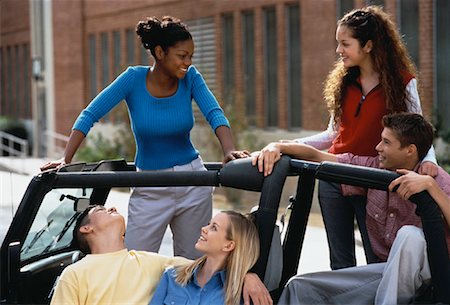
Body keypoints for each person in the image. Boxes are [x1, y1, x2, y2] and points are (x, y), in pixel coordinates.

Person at [40, 16, 249, 259]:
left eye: (191, 56)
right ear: (160, 52)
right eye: (182, 56)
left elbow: (214, 113)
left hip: (192, 181)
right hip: (150, 187)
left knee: (192, 265)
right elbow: (90, 114)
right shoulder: (133, 79)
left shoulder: (191, 78)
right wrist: (65, 159)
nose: (188, 62)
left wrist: (229, 150)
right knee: (134, 261)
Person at [291, 5, 437, 270]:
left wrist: (429, 161)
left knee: (376, 258)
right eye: (338, 44)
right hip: (333, 175)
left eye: (345, 44)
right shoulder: (343, 84)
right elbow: (333, 135)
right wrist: (291, 147)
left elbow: (418, 128)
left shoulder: (403, 82)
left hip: (373, 179)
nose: (339, 51)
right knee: (340, 261)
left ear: (368, 45)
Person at [253, 113, 450, 304]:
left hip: (433, 276)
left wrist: (431, 188)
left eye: (386, 142)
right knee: (300, 287)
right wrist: (275, 146)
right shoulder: (373, 168)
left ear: (410, 150)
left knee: (410, 236)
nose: (378, 147)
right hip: (388, 271)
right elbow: (317, 156)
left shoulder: (435, 179)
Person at [50, 205, 272, 305]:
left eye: (213, 227)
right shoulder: (74, 274)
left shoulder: (154, 263)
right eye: (100, 210)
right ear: (86, 229)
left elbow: (211, 266)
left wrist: (247, 274)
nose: (112, 207)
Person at [150, 211, 259, 305]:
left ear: (228, 246)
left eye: (214, 228)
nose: (203, 229)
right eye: (208, 224)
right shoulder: (172, 276)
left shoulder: (239, 295)